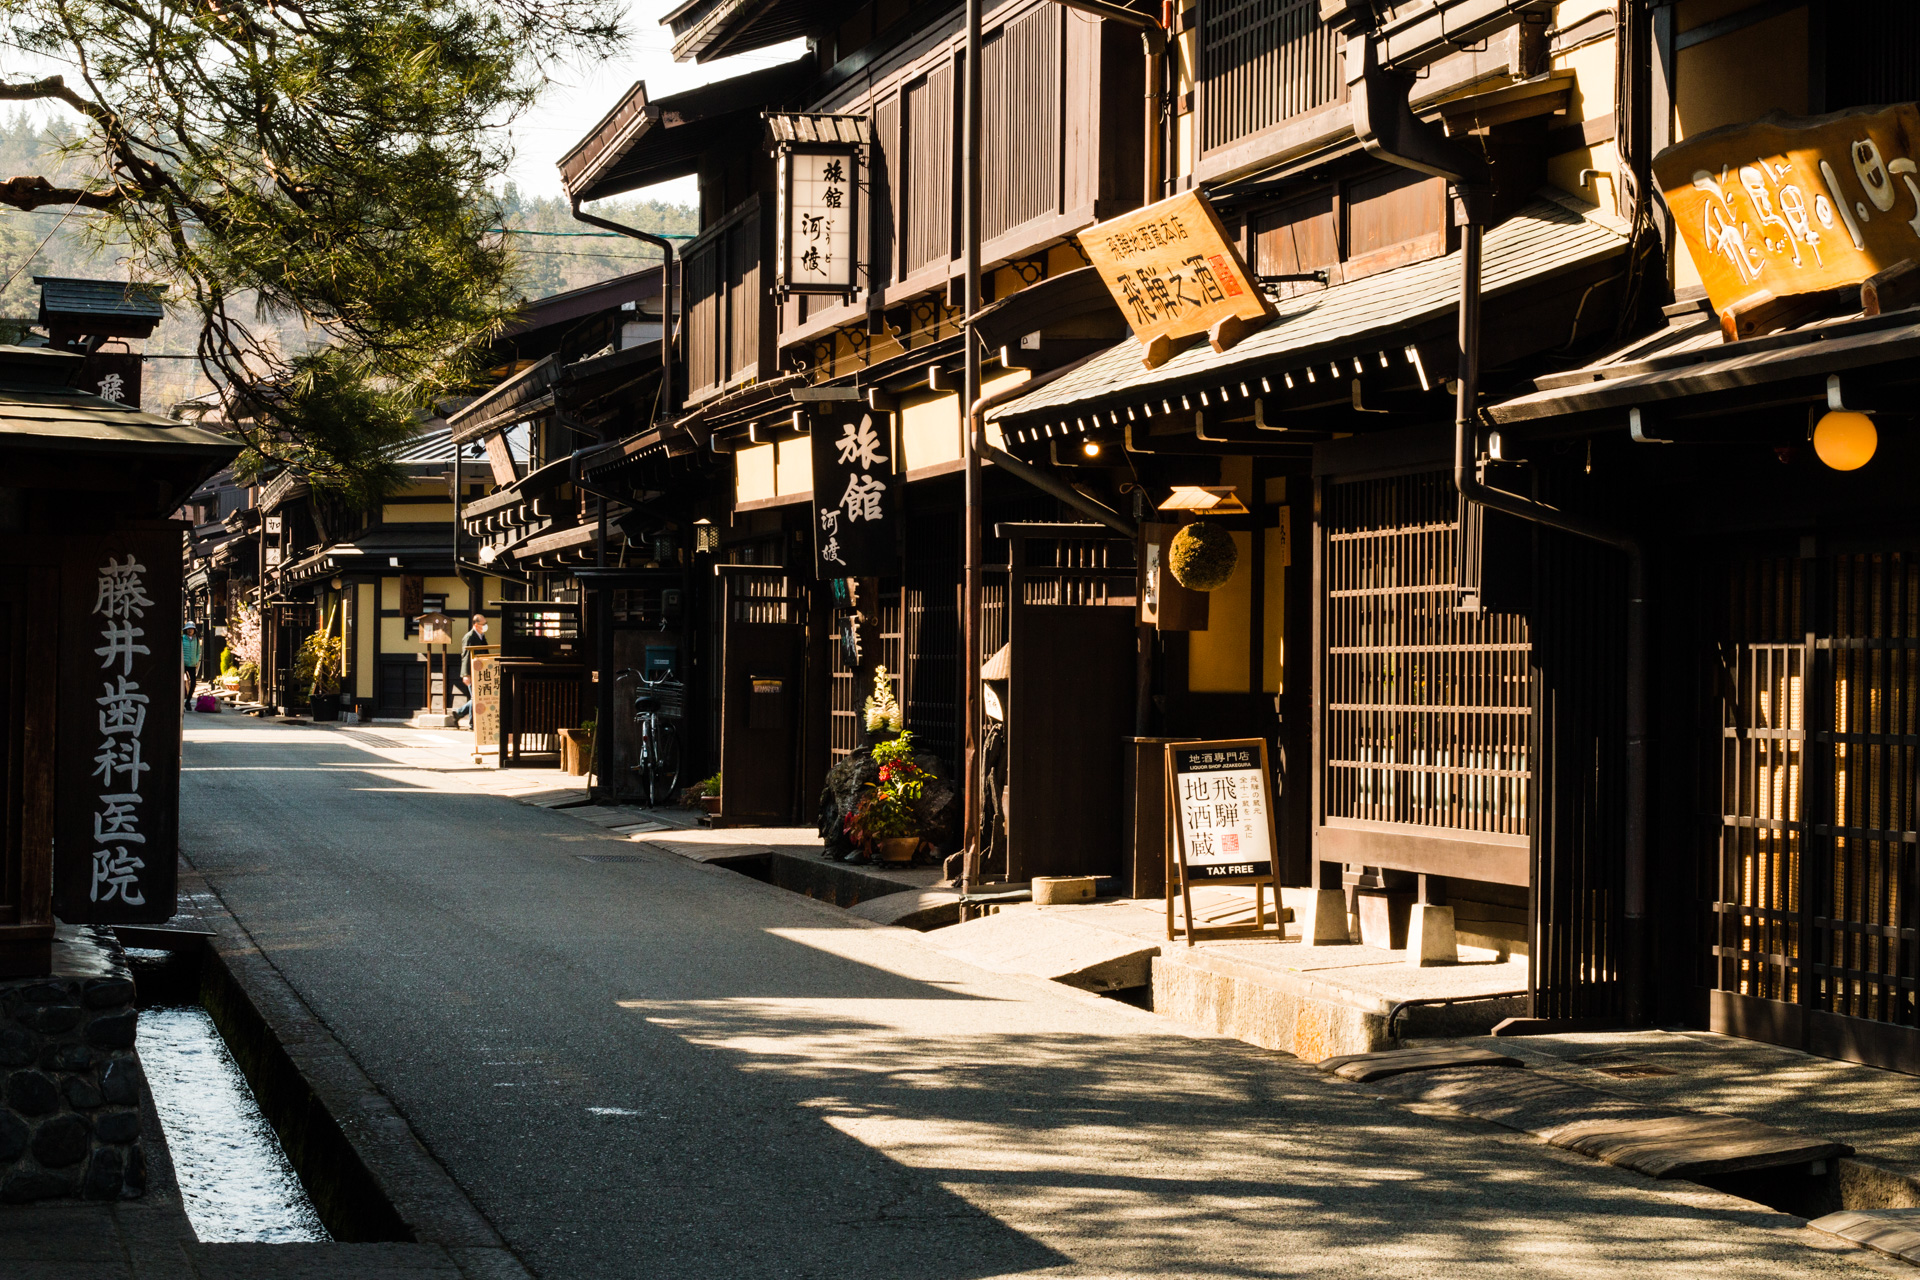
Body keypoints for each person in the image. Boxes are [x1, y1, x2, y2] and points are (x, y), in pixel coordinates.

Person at [453, 612, 487, 727]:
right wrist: (466, 674)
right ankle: (472, 723)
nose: (486, 625)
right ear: (476, 624)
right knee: (476, 697)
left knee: (477, 696)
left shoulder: (481, 636)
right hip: (472, 671)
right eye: (484, 623)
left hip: (481, 671)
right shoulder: (469, 637)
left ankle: (459, 713)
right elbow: (466, 656)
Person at [182, 623, 202, 711]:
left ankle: (188, 701)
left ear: (194, 630)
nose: (190, 630)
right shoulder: (182, 639)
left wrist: (196, 661)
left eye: (192, 629)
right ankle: (181, 701)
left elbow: (198, 652)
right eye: (188, 629)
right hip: (183, 664)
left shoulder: (196, 640)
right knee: (181, 683)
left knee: (193, 683)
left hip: (192, 665)